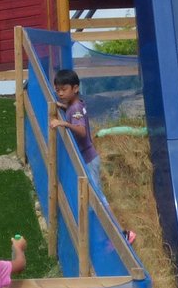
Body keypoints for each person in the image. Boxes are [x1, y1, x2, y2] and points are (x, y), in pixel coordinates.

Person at [51, 69, 137, 244]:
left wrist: (63, 123)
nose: (60, 92)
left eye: (64, 89)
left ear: (75, 88)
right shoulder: (75, 105)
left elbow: (81, 131)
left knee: (98, 198)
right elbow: (75, 111)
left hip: (89, 160)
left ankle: (122, 234)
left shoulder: (75, 108)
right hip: (89, 158)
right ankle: (107, 236)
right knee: (93, 198)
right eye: (57, 89)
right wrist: (64, 107)